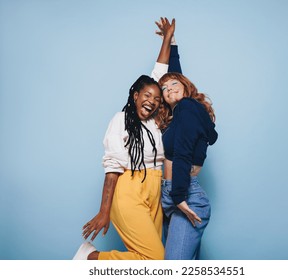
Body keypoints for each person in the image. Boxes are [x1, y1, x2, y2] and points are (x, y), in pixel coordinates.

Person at [73, 17, 176, 260]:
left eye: (157, 99)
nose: (152, 101)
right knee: (156, 259)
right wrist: (103, 211)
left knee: (147, 257)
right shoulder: (121, 120)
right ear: (135, 95)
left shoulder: (152, 120)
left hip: (155, 187)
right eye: (147, 96)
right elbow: (112, 168)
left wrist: (168, 40)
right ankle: (91, 258)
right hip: (129, 188)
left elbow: (157, 75)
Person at [155, 34, 218, 259]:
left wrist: (179, 198)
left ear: (185, 86)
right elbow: (174, 78)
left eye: (175, 84)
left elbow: (182, 153)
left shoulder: (187, 107)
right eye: (164, 88)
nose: (169, 88)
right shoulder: (179, 116)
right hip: (171, 194)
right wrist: (172, 46)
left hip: (184, 195)